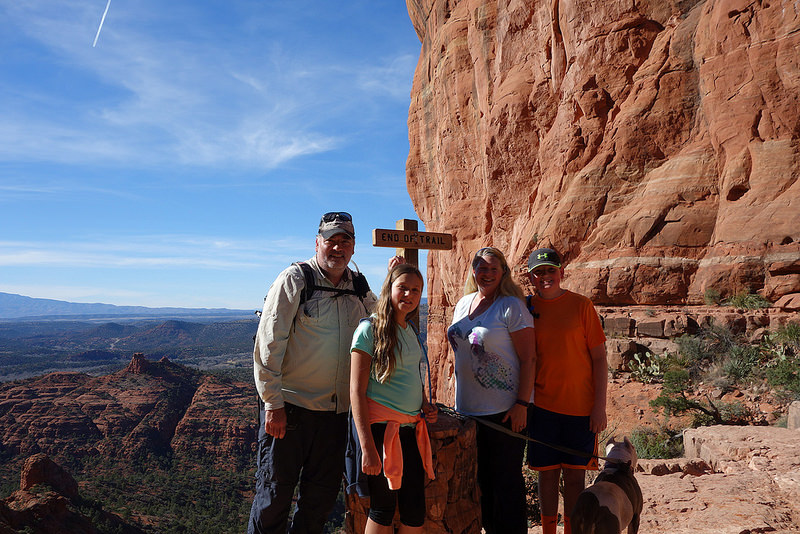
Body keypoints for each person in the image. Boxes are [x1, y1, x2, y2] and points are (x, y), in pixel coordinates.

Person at [248, 211, 377, 534]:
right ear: (317, 242)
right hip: (290, 413)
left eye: (344, 241)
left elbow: (384, 320)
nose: (337, 248)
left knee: (318, 503)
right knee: (273, 499)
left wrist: (397, 278)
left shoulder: (358, 287)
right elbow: (268, 343)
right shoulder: (296, 279)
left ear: (353, 247)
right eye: (331, 241)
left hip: (336, 417)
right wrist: (272, 404)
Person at [446, 247, 536, 534]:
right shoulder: (463, 303)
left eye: (492, 269)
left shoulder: (511, 306)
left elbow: (529, 358)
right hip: (469, 412)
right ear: (473, 271)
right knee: (480, 482)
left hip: (506, 410)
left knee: (506, 484)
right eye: (481, 268)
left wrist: (522, 403)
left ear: (503, 273)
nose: (486, 273)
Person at [524, 247, 608, 534]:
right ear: (530, 277)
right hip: (542, 408)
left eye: (550, 270)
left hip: (580, 409)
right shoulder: (526, 308)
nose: (545, 276)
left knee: (575, 478)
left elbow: (599, 358)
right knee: (546, 477)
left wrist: (599, 407)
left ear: (561, 271)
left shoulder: (581, 306)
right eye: (539, 272)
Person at [349, 263, 438, 533]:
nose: (409, 295)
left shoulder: (410, 330)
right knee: (383, 508)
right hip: (380, 431)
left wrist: (424, 404)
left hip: (410, 428)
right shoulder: (369, 330)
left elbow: (413, 375)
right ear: (389, 288)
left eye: (415, 290)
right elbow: (356, 391)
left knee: (414, 509)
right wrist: (367, 448)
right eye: (403, 288)